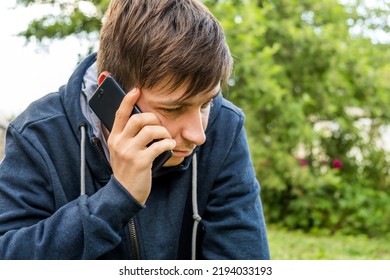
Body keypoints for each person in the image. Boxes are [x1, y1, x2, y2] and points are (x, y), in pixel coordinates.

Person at [0, 0, 270, 260]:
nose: (198, 135)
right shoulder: (37, 135)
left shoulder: (224, 126)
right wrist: (116, 200)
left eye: (205, 104)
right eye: (174, 109)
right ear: (111, 92)